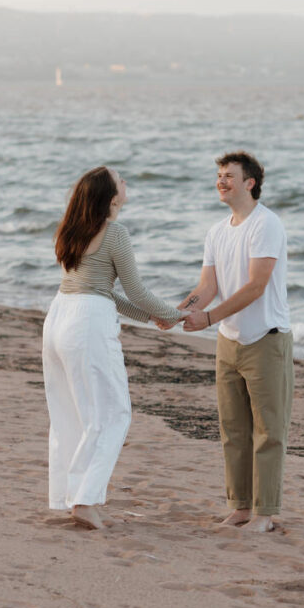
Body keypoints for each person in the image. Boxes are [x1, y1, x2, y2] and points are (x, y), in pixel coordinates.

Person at [42, 166, 183, 530]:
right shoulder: (115, 233)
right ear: (111, 196)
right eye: (120, 180)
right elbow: (133, 290)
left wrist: (153, 319)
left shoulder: (73, 230)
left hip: (59, 318)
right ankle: (85, 501)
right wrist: (176, 314)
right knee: (113, 413)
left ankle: (71, 496)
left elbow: (102, 290)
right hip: (86, 324)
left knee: (71, 414)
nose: (126, 182)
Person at [176, 151, 293, 533]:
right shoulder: (216, 231)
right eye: (219, 175)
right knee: (234, 430)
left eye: (229, 175)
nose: (221, 181)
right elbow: (207, 287)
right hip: (229, 341)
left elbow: (256, 285)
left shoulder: (266, 224)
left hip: (265, 340)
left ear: (250, 183)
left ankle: (264, 513)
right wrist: (178, 312)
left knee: (268, 431)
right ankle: (240, 508)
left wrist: (208, 318)